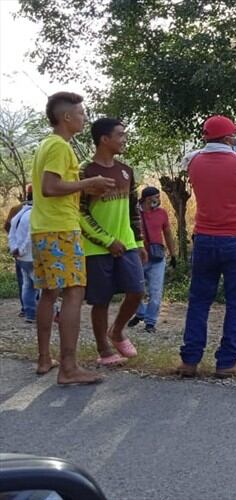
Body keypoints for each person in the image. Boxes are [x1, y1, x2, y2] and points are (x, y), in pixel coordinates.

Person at [31, 91, 116, 383]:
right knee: (74, 292)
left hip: (42, 226)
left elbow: (51, 187)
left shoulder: (46, 144)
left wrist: (83, 187)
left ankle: (45, 359)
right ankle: (69, 368)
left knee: (49, 293)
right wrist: (89, 181)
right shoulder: (60, 147)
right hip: (61, 228)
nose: (84, 118)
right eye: (81, 113)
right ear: (66, 117)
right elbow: (49, 187)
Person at [179, 115, 236, 379]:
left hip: (204, 239)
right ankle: (227, 362)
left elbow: (194, 158)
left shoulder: (194, 162)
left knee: (199, 301)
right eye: (235, 135)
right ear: (229, 139)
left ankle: (190, 361)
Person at [79, 117, 147, 366]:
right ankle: (104, 350)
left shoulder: (126, 170)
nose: (124, 139)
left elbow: (133, 211)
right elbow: (79, 213)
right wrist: (106, 240)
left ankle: (116, 331)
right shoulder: (84, 172)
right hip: (97, 247)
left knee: (137, 291)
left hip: (127, 243)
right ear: (104, 139)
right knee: (101, 300)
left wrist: (138, 243)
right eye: (120, 135)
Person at [128, 186, 176, 333]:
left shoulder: (162, 213)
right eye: (155, 197)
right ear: (147, 199)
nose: (158, 200)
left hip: (157, 258)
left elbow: (167, 233)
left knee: (156, 292)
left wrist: (173, 254)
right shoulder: (134, 214)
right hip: (138, 257)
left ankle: (150, 322)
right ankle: (140, 313)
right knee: (134, 289)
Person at [8, 187, 36, 323]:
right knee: (42, 287)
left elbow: (10, 229)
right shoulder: (36, 212)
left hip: (20, 255)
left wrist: (14, 248)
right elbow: (31, 235)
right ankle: (47, 313)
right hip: (30, 255)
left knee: (26, 284)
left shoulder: (19, 210)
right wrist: (22, 249)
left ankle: (28, 312)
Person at [5, 195, 27, 317]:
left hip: (18, 250)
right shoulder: (44, 207)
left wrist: (15, 240)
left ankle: (25, 308)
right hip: (37, 248)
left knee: (23, 280)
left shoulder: (16, 208)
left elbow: (7, 226)